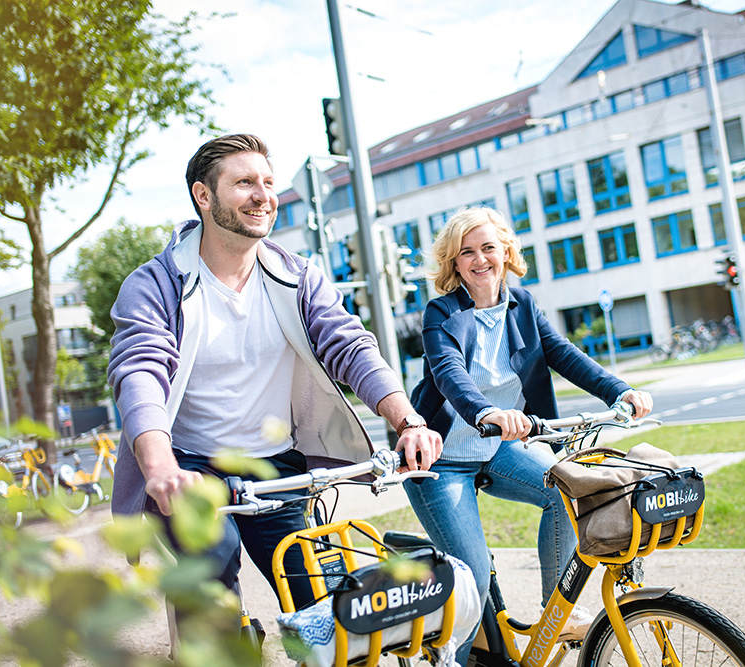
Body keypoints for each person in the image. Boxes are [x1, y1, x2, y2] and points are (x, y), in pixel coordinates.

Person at [107, 133, 442, 611]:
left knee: (327, 611)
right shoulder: (156, 284)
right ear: (204, 196)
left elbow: (349, 345)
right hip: (191, 470)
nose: (264, 196)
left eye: (268, 182)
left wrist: (408, 421)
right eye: (244, 182)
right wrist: (161, 470)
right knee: (215, 595)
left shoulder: (297, 275)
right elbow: (141, 371)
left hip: (275, 469)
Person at [406, 207, 653, 661]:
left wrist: (620, 390)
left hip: (497, 449)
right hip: (441, 461)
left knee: (566, 491)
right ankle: (449, 660)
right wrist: (489, 412)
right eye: (467, 253)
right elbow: (448, 374)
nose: (480, 260)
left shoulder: (523, 304)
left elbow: (564, 354)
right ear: (454, 264)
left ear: (506, 252)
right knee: (472, 582)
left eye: (488, 248)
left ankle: (555, 615)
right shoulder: (441, 313)